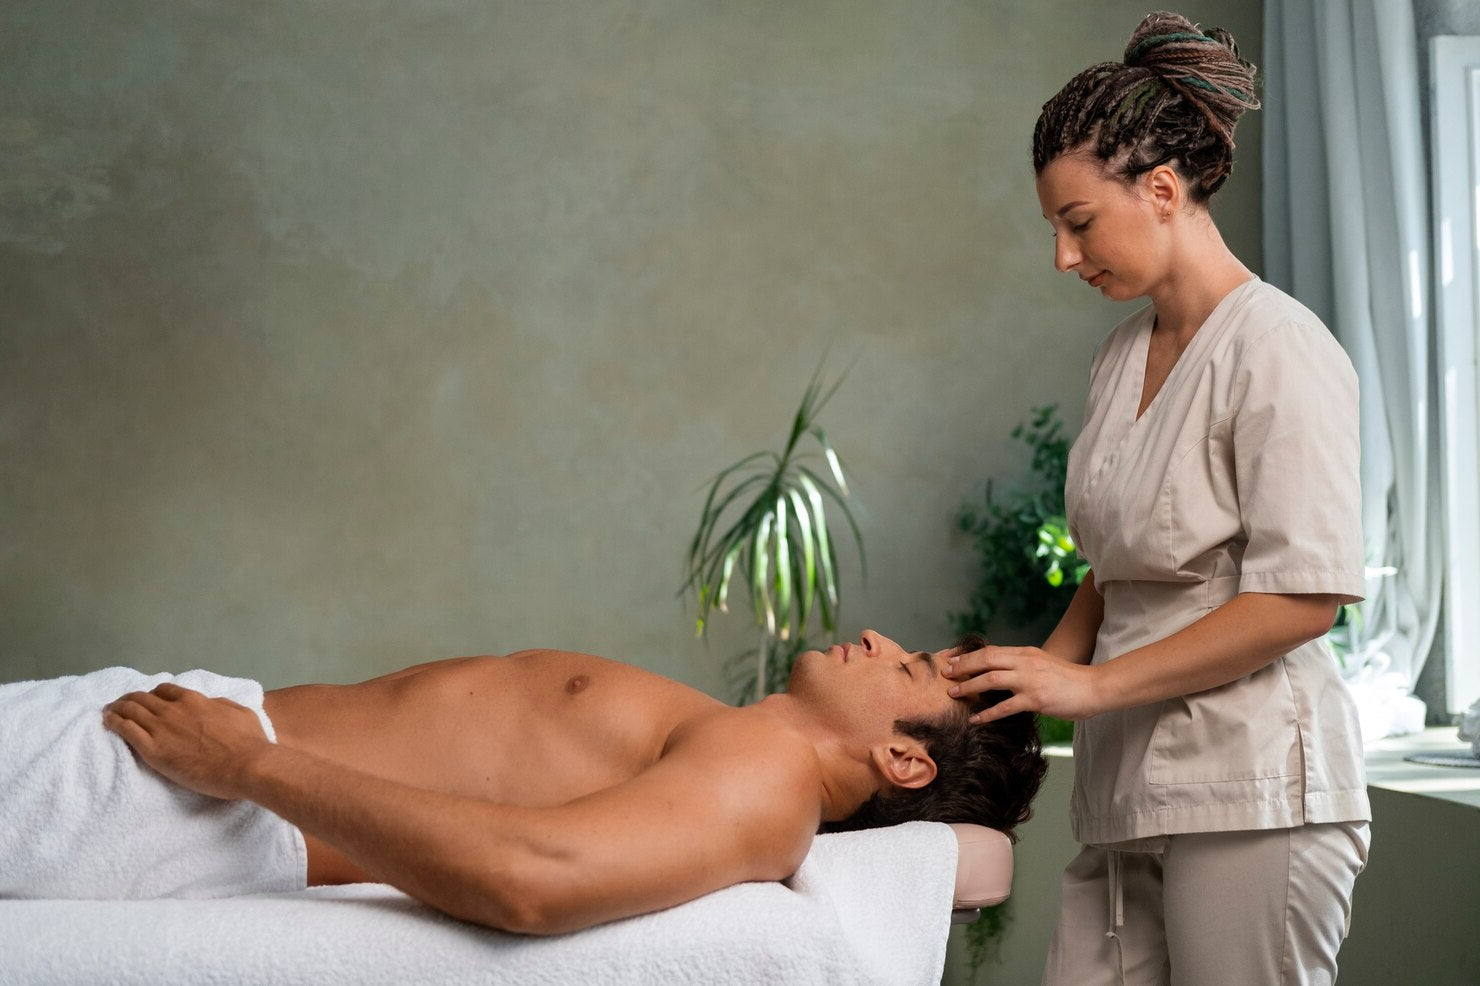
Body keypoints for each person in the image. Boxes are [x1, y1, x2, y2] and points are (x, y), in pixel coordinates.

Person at [944, 12, 1370, 986]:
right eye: (1053, 227)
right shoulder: (1118, 358)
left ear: (1164, 190)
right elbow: (1117, 567)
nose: (1062, 255)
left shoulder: (1279, 349)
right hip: (1127, 791)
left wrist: (1089, 687)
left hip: (1254, 792)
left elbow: (1302, 596)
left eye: (1079, 223)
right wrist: (1026, 684)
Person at [0, 629, 1045, 935]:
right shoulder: (734, 741)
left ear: (904, 758)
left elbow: (533, 875)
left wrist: (251, 763)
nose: (878, 636)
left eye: (908, 669)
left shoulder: (766, 784)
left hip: (193, 792)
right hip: (183, 754)